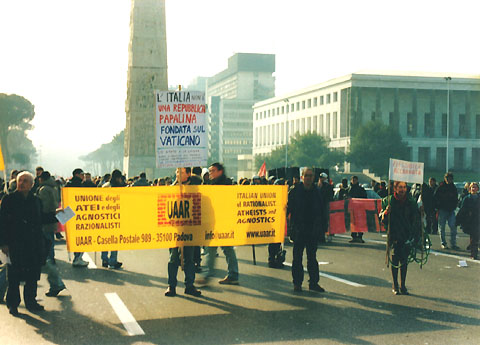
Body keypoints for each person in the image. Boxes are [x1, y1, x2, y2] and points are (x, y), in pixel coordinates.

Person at [0, 172, 46, 315]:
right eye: (20, 181)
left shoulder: (36, 200)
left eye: (25, 181)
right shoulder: (9, 199)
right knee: (13, 277)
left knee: (32, 276)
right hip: (15, 244)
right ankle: (13, 304)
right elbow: (2, 223)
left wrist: (59, 215)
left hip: (33, 245)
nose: (22, 183)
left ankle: (31, 302)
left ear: (32, 185)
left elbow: (41, 218)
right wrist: (3, 243)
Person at [197, 163, 239, 285]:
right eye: (209, 171)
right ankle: (230, 274)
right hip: (213, 222)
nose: (210, 173)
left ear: (220, 171)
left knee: (222, 249)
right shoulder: (211, 184)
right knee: (217, 249)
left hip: (223, 222)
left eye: (213, 171)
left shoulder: (226, 184)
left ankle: (211, 276)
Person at [288, 167, 327, 293]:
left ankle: (313, 283)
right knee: (297, 258)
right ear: (302, 177)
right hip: (299, 229)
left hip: (312, 230)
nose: (309, 178)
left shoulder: (317, 191)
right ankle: (297, 283)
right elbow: (287, 209)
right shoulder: (294, 191)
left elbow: (322, 211)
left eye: (311, 175)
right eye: (307, 175)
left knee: (312, 258)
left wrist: (323, 228)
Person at [164, 167, 202, 297]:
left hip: (189, 229)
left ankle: (189, 286)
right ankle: (171, 286)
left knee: (189, 259)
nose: (178, 174)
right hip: (175, 230)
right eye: (176, 172)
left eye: (181, 172)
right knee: (173, 258)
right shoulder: (172, 188)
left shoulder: (196, 188)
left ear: (188, 174)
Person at [380, 181, 421, 295]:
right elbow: (382, 219)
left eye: (404, 187)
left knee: (404, 261)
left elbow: (416, 220)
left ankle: (403, 285)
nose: (402, 189)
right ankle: (395, 285)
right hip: (394, 234)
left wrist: (420, 212)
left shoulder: (411, 202)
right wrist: (386, 213)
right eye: (400, 187)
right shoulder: (388, 201)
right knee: (394, 260)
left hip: (406, 234)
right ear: (395, 188)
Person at [37, 171, 66, 297]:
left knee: (47, 257)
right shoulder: (54, 187)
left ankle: (57, 283)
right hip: (51, 223)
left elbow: (44, 209)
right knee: (49, 254)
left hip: (45, 224)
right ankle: (56, 283)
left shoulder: (43, 190)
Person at [65, 168, 89, 267]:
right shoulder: (78, 184)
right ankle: (78, 258)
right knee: (81, 237)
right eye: (82, 174)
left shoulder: (69, 184)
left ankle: (77, 257)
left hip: (70, 214)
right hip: (79, 214)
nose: (83, 176)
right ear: (77, 174)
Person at [101, 169, 124, 269]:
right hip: (115, 216)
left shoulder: (105, 186)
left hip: (105, 216)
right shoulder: (119, 187)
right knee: (114, 240)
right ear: (118, 178)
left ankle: (104, 259)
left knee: (105, 239)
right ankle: (113, 260)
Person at [434, 172, 459, 250]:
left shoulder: (453, 187)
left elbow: (456, 198)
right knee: (442, 228)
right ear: (445, 179)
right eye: (447, 178)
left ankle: (453, 244)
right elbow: (435, 197)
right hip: (442, 210)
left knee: (453, 227)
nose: (448, 180)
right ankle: (443, 243)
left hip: (451, 210)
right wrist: (437, 206)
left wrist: (454, 206)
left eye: (450, 179)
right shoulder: (440, 187)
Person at [456, 182, 480, 260]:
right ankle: (474, 254)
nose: (474, 189)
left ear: (478, 189)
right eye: (472, 187)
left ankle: (474, 251)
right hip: (471, 221)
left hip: (478, 220)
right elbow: (462, 210)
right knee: (474, 237)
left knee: (476, 237)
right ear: (469, 189)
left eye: (475, 187)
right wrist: (457, 220)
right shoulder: (467, 198)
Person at [347, 175, 367, 243]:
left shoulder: (360, 189)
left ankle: (360, 236)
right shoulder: (349, 189)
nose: (354, 181)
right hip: (352, 209)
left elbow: (364, 198)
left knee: (360, 223)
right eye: (353, 180)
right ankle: (354, 236)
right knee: (353, 223)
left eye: (355, 180)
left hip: (359, 208)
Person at [317, 172, 333, 243]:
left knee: (325, 221)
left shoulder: (328, 186)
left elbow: (329, 196)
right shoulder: (317, 186)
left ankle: (325, 236)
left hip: (325, 206)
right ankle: (320, 236)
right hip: (318, 206)